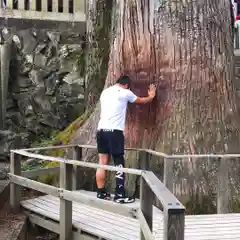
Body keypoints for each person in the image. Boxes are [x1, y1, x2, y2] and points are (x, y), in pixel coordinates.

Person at [95, 75, 156, 203]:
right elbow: (140, 100)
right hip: (114, 132)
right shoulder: (125, 92)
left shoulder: (105, 92)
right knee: (119, 162)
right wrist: (151, 96)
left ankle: (101, 193)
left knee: (102, 162)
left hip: (101, 131)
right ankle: (119, 195)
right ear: (127, 85)